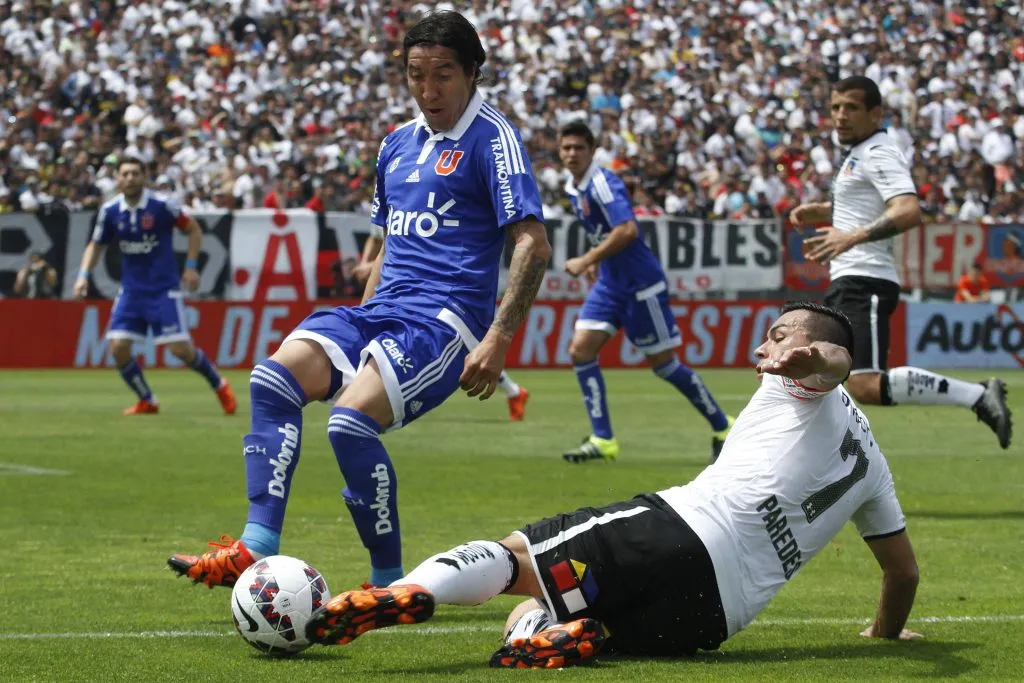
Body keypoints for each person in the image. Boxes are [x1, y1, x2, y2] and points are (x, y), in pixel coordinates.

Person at [302, 302, 922, 669]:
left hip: (678, 534)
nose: (768, 344)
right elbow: (903, 574)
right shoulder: (874, 466)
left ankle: (403, 594)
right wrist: (884, 633)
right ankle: (538, 639)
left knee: (520, 557)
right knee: (548, 607)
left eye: (779, 333)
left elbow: (834, 361)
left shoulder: (807, 381)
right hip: (709, 622)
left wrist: (810, 356)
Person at [168, 11, 552, 589]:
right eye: (416, 75)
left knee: (348, 427)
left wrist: (499, 337)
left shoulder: (492, 139)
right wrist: (357, 333)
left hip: (444, 323)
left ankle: (385, 584)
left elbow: (534, 244)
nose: (429, 90)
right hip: (382, 310)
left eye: (443, 75)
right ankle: (254, 545)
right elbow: (388, 249)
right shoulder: (395, 144)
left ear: (473, 72)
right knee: (272, 380)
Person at [796, 76, 1011, 449]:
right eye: (835, 107)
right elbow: (868, 204)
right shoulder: (859, 153)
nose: (840, 116)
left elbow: (908, 210)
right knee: (810, 376)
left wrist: (852, 236)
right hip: (849, 279)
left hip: (865, 281)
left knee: (862, 383)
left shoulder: (878, 151)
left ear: (875, 113)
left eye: (851, 107)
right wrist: (824, 211)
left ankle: (977, 396)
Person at [556, 122, 734, 464]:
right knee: (580, 350)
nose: (572, 154)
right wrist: (597, 261)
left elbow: (627, 229)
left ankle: (724, 425)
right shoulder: (573, 187)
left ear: (592, 150)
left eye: (579, 147)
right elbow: (603, 231)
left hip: (640, 285)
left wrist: (587, 259)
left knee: (663, 365)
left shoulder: (602, 183)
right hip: (610, 284)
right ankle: (603, 439)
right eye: (566, 148)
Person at [72, 157, 237, 416]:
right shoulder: (111, 210)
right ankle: (147, 399)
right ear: (117, 178)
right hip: (130, 291)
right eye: (125, 174)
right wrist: (83, 275)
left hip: (163, 290)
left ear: (144, 176)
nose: (130, 178)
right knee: (118, 347)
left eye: (135, 173)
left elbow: (193, 229)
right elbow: (96, 245)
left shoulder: (163, 205)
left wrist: (191, 266)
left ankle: (219, 384)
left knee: (180, 350)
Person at [353, 227, 531, 421]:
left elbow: (401, 247)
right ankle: (514, 392)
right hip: (396, 294)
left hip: (443, 293)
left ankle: (515, 392)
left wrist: (369, 265)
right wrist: (366, 264)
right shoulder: (389, 205)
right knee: (472, 354)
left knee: (467, 354)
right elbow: (378, 239)